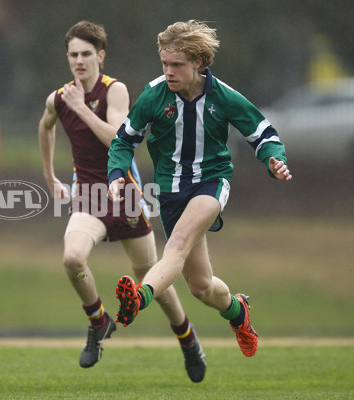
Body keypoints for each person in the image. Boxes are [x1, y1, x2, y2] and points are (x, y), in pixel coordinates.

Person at [108, 20, 293, 358]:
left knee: (175, 245)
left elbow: (263, 134)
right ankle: (238, 312)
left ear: (199, 63)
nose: (169, 71)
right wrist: (117, 173)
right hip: (171, 192)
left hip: (211, 182)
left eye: (176, 64)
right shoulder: (153, 95)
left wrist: (273, 159)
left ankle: (139, 298)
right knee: (202, 287)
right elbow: (123, 140)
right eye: (164, 63)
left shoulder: (223, 96)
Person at [38, 20, 207, 382]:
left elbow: (117, 137)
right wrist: (50, 176)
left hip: (124, 195)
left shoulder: (114, 91)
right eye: (73, 55)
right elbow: (45, 125)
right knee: (71, 258)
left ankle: (187, 338)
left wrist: (83, 108)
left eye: (86, 54)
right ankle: (98, 322)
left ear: (100, 56)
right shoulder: (60, 97)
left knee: (151, 278)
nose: (79, 61)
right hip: (87, 196)